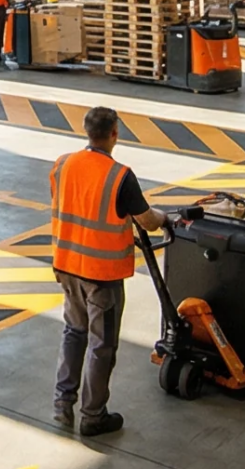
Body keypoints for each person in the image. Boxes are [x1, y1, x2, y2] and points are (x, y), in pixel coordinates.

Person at [48, 107, 169, 437]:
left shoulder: (62, 164)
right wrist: (166, 218)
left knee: (74, 332)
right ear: (115, 133)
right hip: (101, 274)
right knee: (102, 345)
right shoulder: (120, 176)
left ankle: (62, 403)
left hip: (67, 265)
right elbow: (147, 220)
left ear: (86, 131)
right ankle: (93, 415)